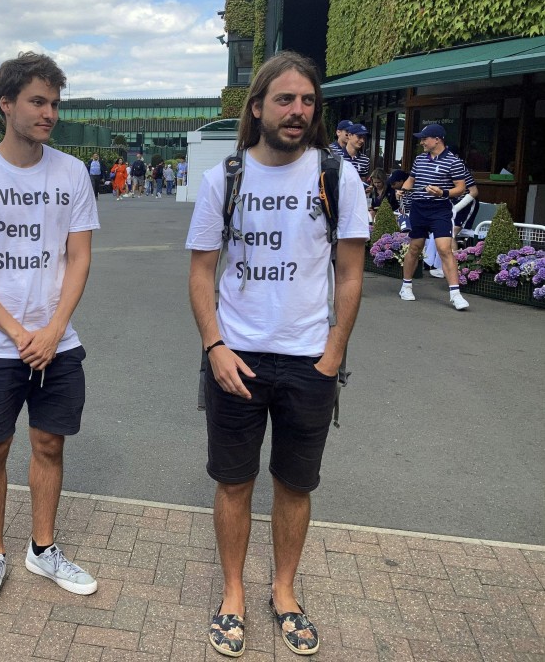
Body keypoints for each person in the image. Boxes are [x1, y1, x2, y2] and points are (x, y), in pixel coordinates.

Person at [187, 51, 368, 657]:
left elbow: (348, 274)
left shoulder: (337, 177)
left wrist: (332, 352)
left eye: (307, 101)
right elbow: (201, 270)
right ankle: (233, 593)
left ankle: (284, 591)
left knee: (295, 484)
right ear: (258, 106)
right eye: (285, 99)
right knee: (234, 483)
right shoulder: (226, 178)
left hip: (309, 361)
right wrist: (214, 344)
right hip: (236, 358)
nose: (297, 111)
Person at [0, 51, 100, 615]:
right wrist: (17, 332)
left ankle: (43, 548)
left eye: (55, 103)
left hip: (59, 341)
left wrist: (54, 329)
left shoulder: (72, 172)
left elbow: (79, 258)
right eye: (38, 101)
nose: (49, 113)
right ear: (6, 104)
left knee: (49, 444)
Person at [396, 124, 470, 310]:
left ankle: (455, 294)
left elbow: (461, 187)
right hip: (419, 207)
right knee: (415, 247)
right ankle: (406, 286)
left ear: (437, 139)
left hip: (440, 209)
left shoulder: (454, 161)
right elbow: (411, 179)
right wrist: (403, 190)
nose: (421, 142)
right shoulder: (419, 159)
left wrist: (442, 192)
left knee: (445, 249)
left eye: (424, 138)